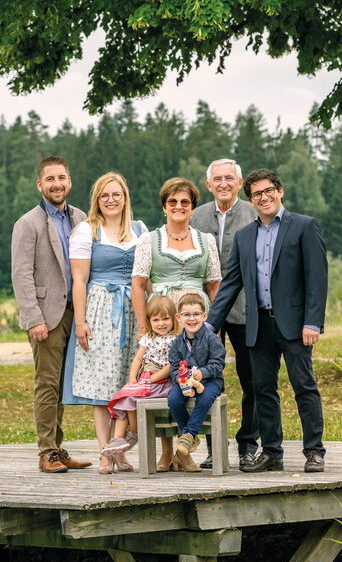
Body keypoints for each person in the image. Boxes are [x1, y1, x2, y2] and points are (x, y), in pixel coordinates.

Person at [206, 168, 328, 473]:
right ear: (251, 199)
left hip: (295, 325)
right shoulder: (245, 236)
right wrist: (210, 324)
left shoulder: (303, 226)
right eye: (257, 193)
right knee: (262, 390)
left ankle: (314, 451)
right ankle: (272, 452)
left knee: (304, 386)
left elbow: (317, 279)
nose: (264, 197)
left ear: (280, 191)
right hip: (257, 325)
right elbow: (231, 282)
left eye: (268, 190)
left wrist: (313, 322)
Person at [131, 177, 222, 471]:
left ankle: (189, 450)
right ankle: (167, 451)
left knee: (197, 379)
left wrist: (217, 328)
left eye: (185, 202)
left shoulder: (205, 240)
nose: (179, 206)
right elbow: (138, 284)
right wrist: (144, 328)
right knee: (167, 382)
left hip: (197, 316)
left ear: (193, 207)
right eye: (173, 202)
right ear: (164, 206)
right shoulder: (149, 240)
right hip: (165, 317)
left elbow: (213, 285)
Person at [62, 172, 147, 474]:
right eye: (104, 196)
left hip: (133, 308)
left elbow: (146, 277)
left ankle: (119, 450)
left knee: (128, 384)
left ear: (125, 198)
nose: (111, 201)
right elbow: (80, 279)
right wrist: (81, 321)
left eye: (116, 195)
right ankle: (103, 453)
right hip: (100, 308)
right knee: (103, 386)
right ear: (97, 200)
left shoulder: (139, 230)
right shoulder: (87, 230)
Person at [11, 156, 92, 473]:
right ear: (40, 185)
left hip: (76, 314)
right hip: (47, 317)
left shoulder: (81, 219)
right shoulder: (27, 224)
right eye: (50, 179)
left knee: (63, 386)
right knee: (47, 385)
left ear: (69, 182)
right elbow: (21, 275)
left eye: (62, 178)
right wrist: (33, 319)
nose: (56, 184)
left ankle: (58, 448)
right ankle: (46, 451)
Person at [191, 159, 258, 469]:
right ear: (208, 185)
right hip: (209, 312)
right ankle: (212, 446)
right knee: (207, 377)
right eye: (217, 178)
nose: (223, 183)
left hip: (247, 308)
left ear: (239, 182)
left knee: (252, 378)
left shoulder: (254, 213)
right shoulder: (196, 216)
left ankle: (248, 444)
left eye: (229, 178)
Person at [102, 295, 178, 465]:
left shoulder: (174, 340)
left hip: (162, 382)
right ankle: (118, 439)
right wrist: (132, 379)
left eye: (166, 318)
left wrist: (150, 380)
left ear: (173, 319)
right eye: (156, 319)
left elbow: (169, 366)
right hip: (145, 379)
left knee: (131, 397)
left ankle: (134, 433)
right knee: (124, 396)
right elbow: (138, 359)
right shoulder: (148, 338)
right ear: (149, 321)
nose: (161, 323)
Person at [167, 293, 226, 472]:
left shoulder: (212, 338)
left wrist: (203, 372)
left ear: (204, 316)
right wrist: (181, 379)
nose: (192, 319)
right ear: (179, 318)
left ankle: (189, 434)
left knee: (206, 398)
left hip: (210, 381)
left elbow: (218, 362)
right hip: (185, 383)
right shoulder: (177, 342)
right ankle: (190, 435)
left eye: (196, 314)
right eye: (186, 315)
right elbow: (174, 367)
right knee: (173, 400)